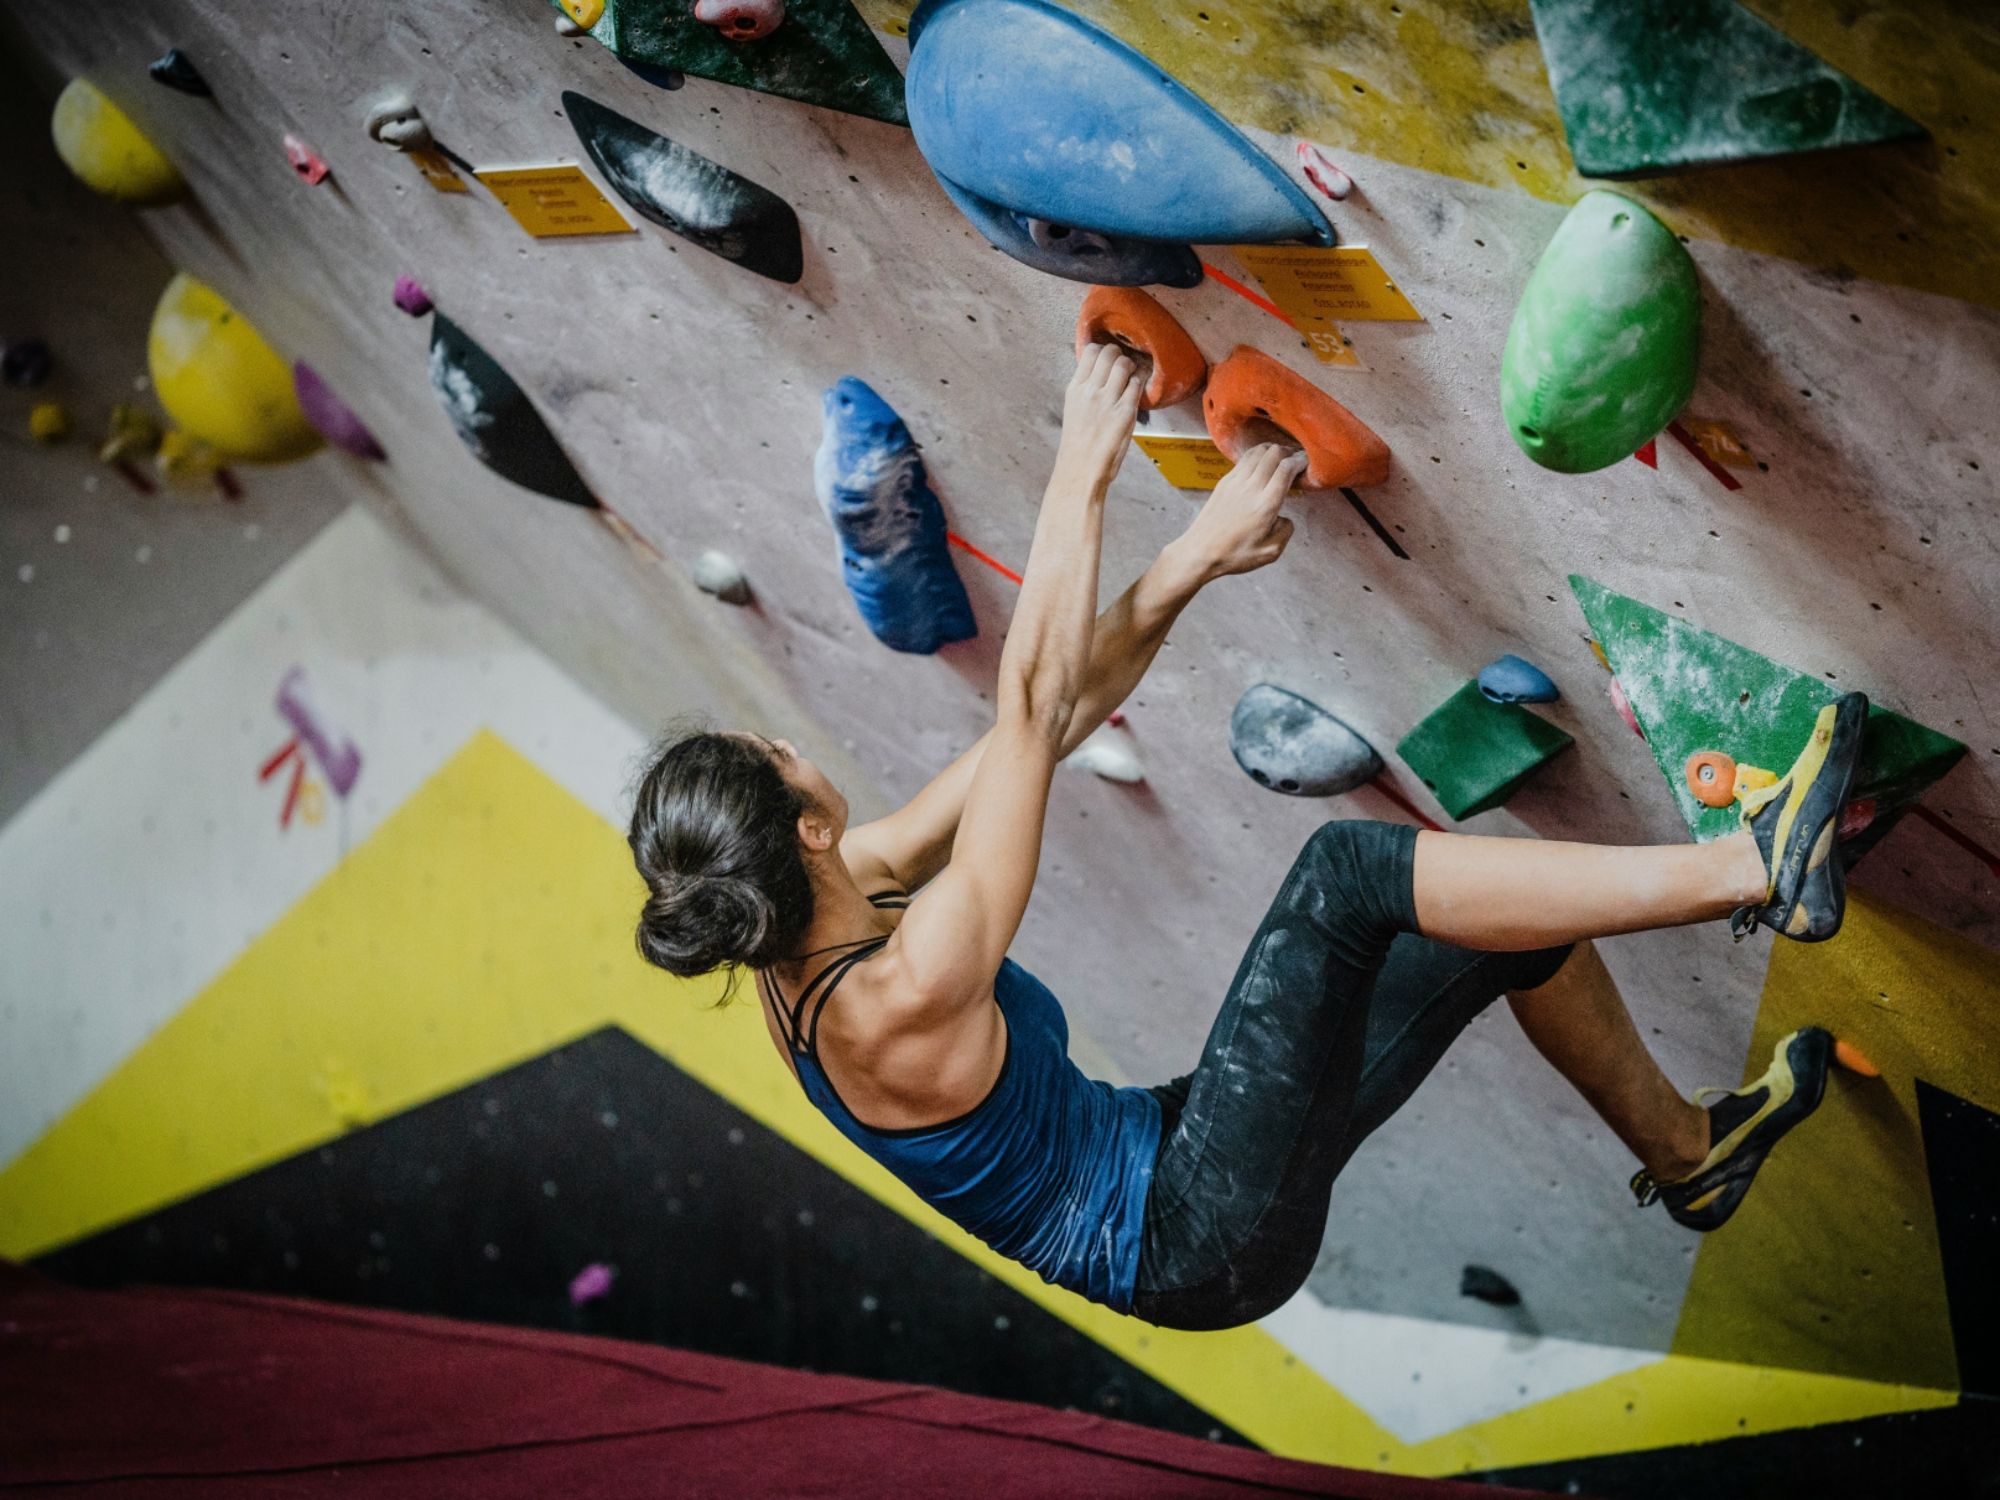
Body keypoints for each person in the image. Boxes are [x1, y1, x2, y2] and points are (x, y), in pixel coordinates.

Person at [627, 345, 1864, 1331]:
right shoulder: (897, 993)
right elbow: (1028, 704)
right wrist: (1082, 462)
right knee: (1348, 877)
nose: (792, 746)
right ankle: (1755, 868)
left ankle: (1690, 1154)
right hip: (1192, 1240)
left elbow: (1043, 733)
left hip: (1178, 1151)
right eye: (774, 756)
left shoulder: (842, 892)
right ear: (802, 822)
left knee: (1497, 929)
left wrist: (1188, 566)